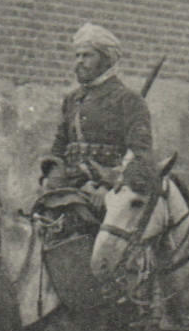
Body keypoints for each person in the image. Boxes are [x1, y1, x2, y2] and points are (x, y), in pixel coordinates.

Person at [39, 23, 153, 206]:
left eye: (87, 55)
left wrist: (109, 186)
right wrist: (52, 177)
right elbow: (59, 146)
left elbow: (139, 155)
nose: (79, 61)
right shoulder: (72, 100)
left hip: (107, 193)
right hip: (70, 187)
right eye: (77, 56)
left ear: (106, 60)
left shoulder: (128, 100)